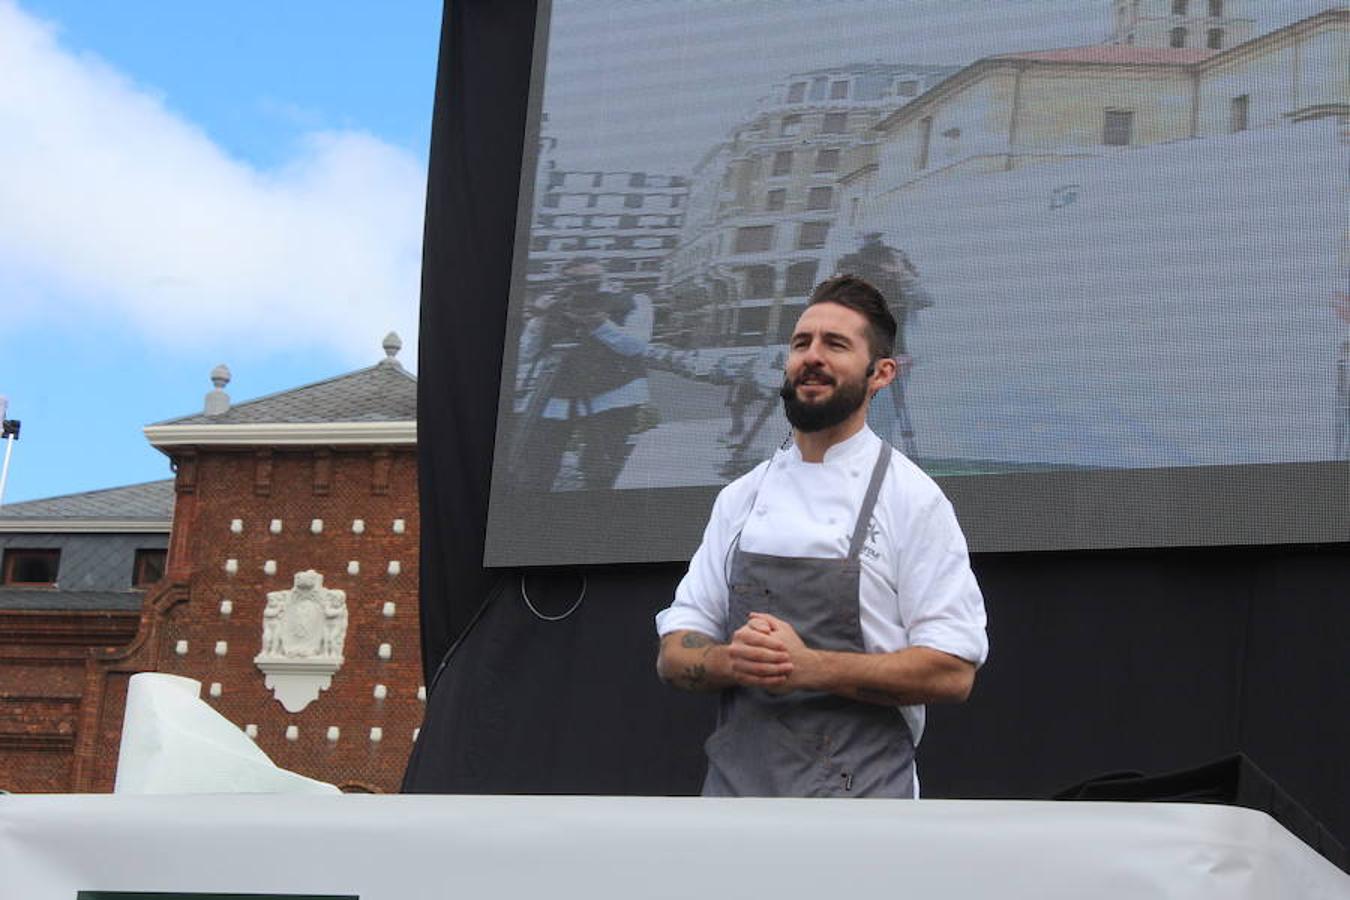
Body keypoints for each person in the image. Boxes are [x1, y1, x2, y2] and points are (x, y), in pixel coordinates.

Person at [654, 274, 987, 798]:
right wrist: (730, 661)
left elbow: (951, 672)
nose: (812, 357)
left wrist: (810, 668)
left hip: (864, 808)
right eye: (801, 343)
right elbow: (675, 653)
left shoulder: (913, 501)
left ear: (881, 374)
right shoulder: (740, 499)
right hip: (732, 809)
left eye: (835, 344)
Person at [511, 258, 653, 490]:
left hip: (613, 394)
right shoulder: (554, 305)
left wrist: (599, 324)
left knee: (601, 465)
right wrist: (540, 318)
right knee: (536, 465)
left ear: (603, 278)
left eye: (591, 281)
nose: (584, 288)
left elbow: (635, 346)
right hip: (556, 395)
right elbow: (525, 352)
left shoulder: (632, 300)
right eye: (576, 281)